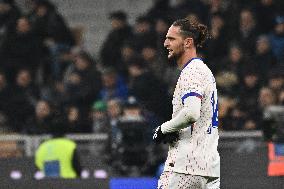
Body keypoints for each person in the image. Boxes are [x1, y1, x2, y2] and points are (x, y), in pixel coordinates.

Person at [153, 18, 220, 188]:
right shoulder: (204, 71)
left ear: (188, 42)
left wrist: (164, 129)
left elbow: (191, 113)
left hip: (186, 166)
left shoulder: (192, 71)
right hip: (209, 167)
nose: (166, 43)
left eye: (172, 39)